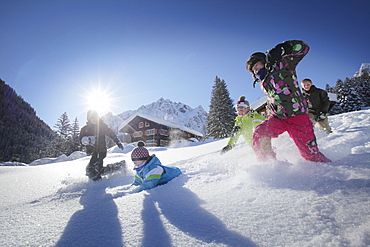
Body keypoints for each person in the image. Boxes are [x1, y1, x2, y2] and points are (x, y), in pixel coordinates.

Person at [245, 40, 331, 162]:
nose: (256, 70)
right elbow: (273, 101)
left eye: (257, 65)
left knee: (311, 156)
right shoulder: (263, 83)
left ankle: (331, 170)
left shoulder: (283, 65)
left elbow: (303, 48)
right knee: (260, 133)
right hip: (277, 119)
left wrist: (283, 49)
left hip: (298, 117)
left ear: (265, 62)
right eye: (253, 70)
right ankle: (268, 165)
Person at [80, 110, 124, 180]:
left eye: (95, 117)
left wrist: (117, 142)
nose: (94, 119)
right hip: (93, 151)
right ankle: (118, 166)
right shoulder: (85, 129)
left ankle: (98, 184)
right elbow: (81, 139)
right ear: (89, 119)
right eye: (92, 118)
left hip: (101, 150)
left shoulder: (102, 127)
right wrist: (87, 139)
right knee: (97, 170)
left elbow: (111, 133)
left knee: (91, 170)